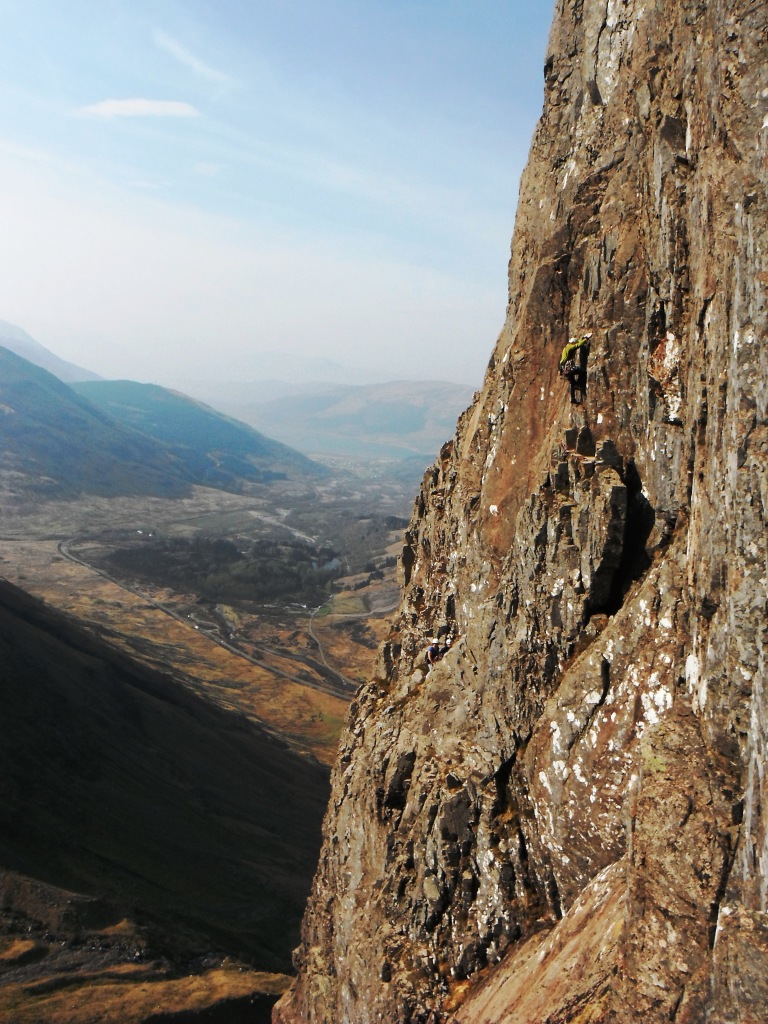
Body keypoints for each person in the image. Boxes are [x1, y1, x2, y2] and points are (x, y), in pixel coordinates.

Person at [558, 333, 592, 404]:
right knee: (583, 372)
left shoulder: (567, 347)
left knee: (572, 383)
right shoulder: (570, 348)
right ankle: (579, 384)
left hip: (564, 369)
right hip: (569, 368)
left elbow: (576, 343)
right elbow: (577, 345)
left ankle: (573, 399)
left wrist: (582, 338)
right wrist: (586, 339)